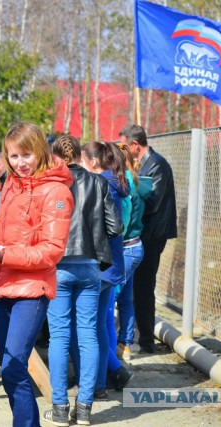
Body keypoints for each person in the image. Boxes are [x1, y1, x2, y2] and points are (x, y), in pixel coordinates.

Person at [0, 123, 74, 427]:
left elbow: (51, 250)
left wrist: (5, 253)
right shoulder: (11, 183)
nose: (20, 162)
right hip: (2, 286)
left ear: (40, 151)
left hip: (32, 290)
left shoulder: (56, 191)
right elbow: (0, 232)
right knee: (8, 369)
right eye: (13, 156)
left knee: (14, 365)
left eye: (26, 154)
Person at [43, 136, 122, 426]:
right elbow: (116, 227)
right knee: (88, 334)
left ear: (55, 156)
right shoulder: (99, 183)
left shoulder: (50, 184)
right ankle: (86, 408)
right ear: (78, 154)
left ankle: (60, 409)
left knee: (60, 336)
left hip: (57, 265)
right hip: (90, 267)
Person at [119, 124, 177, 353]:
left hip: (152, 235)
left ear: (135, 145)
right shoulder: (141, 164)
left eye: (124, 145)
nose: (121, 150)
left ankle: (145, 341)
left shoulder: (158, 165)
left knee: (144, 287)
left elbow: (152, 201)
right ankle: (135, 335)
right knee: (134, 288)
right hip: (141, 233)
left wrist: (131, 199)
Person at [80, 141, 131, 402]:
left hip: (100, 266)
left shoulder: (100, 186)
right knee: (100, 325)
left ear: (93, 163)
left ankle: (100, 381)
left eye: (80, 161)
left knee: (90, 328)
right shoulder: (114, 183)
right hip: (110, 267)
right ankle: (104, 379)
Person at [116, 144, 145, 362]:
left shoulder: (122, 182)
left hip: (125, 248)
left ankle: (117, 347)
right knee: (126, 299)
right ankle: (125, 344)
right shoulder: (134, 179)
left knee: (111, 298)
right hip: (135, 246)